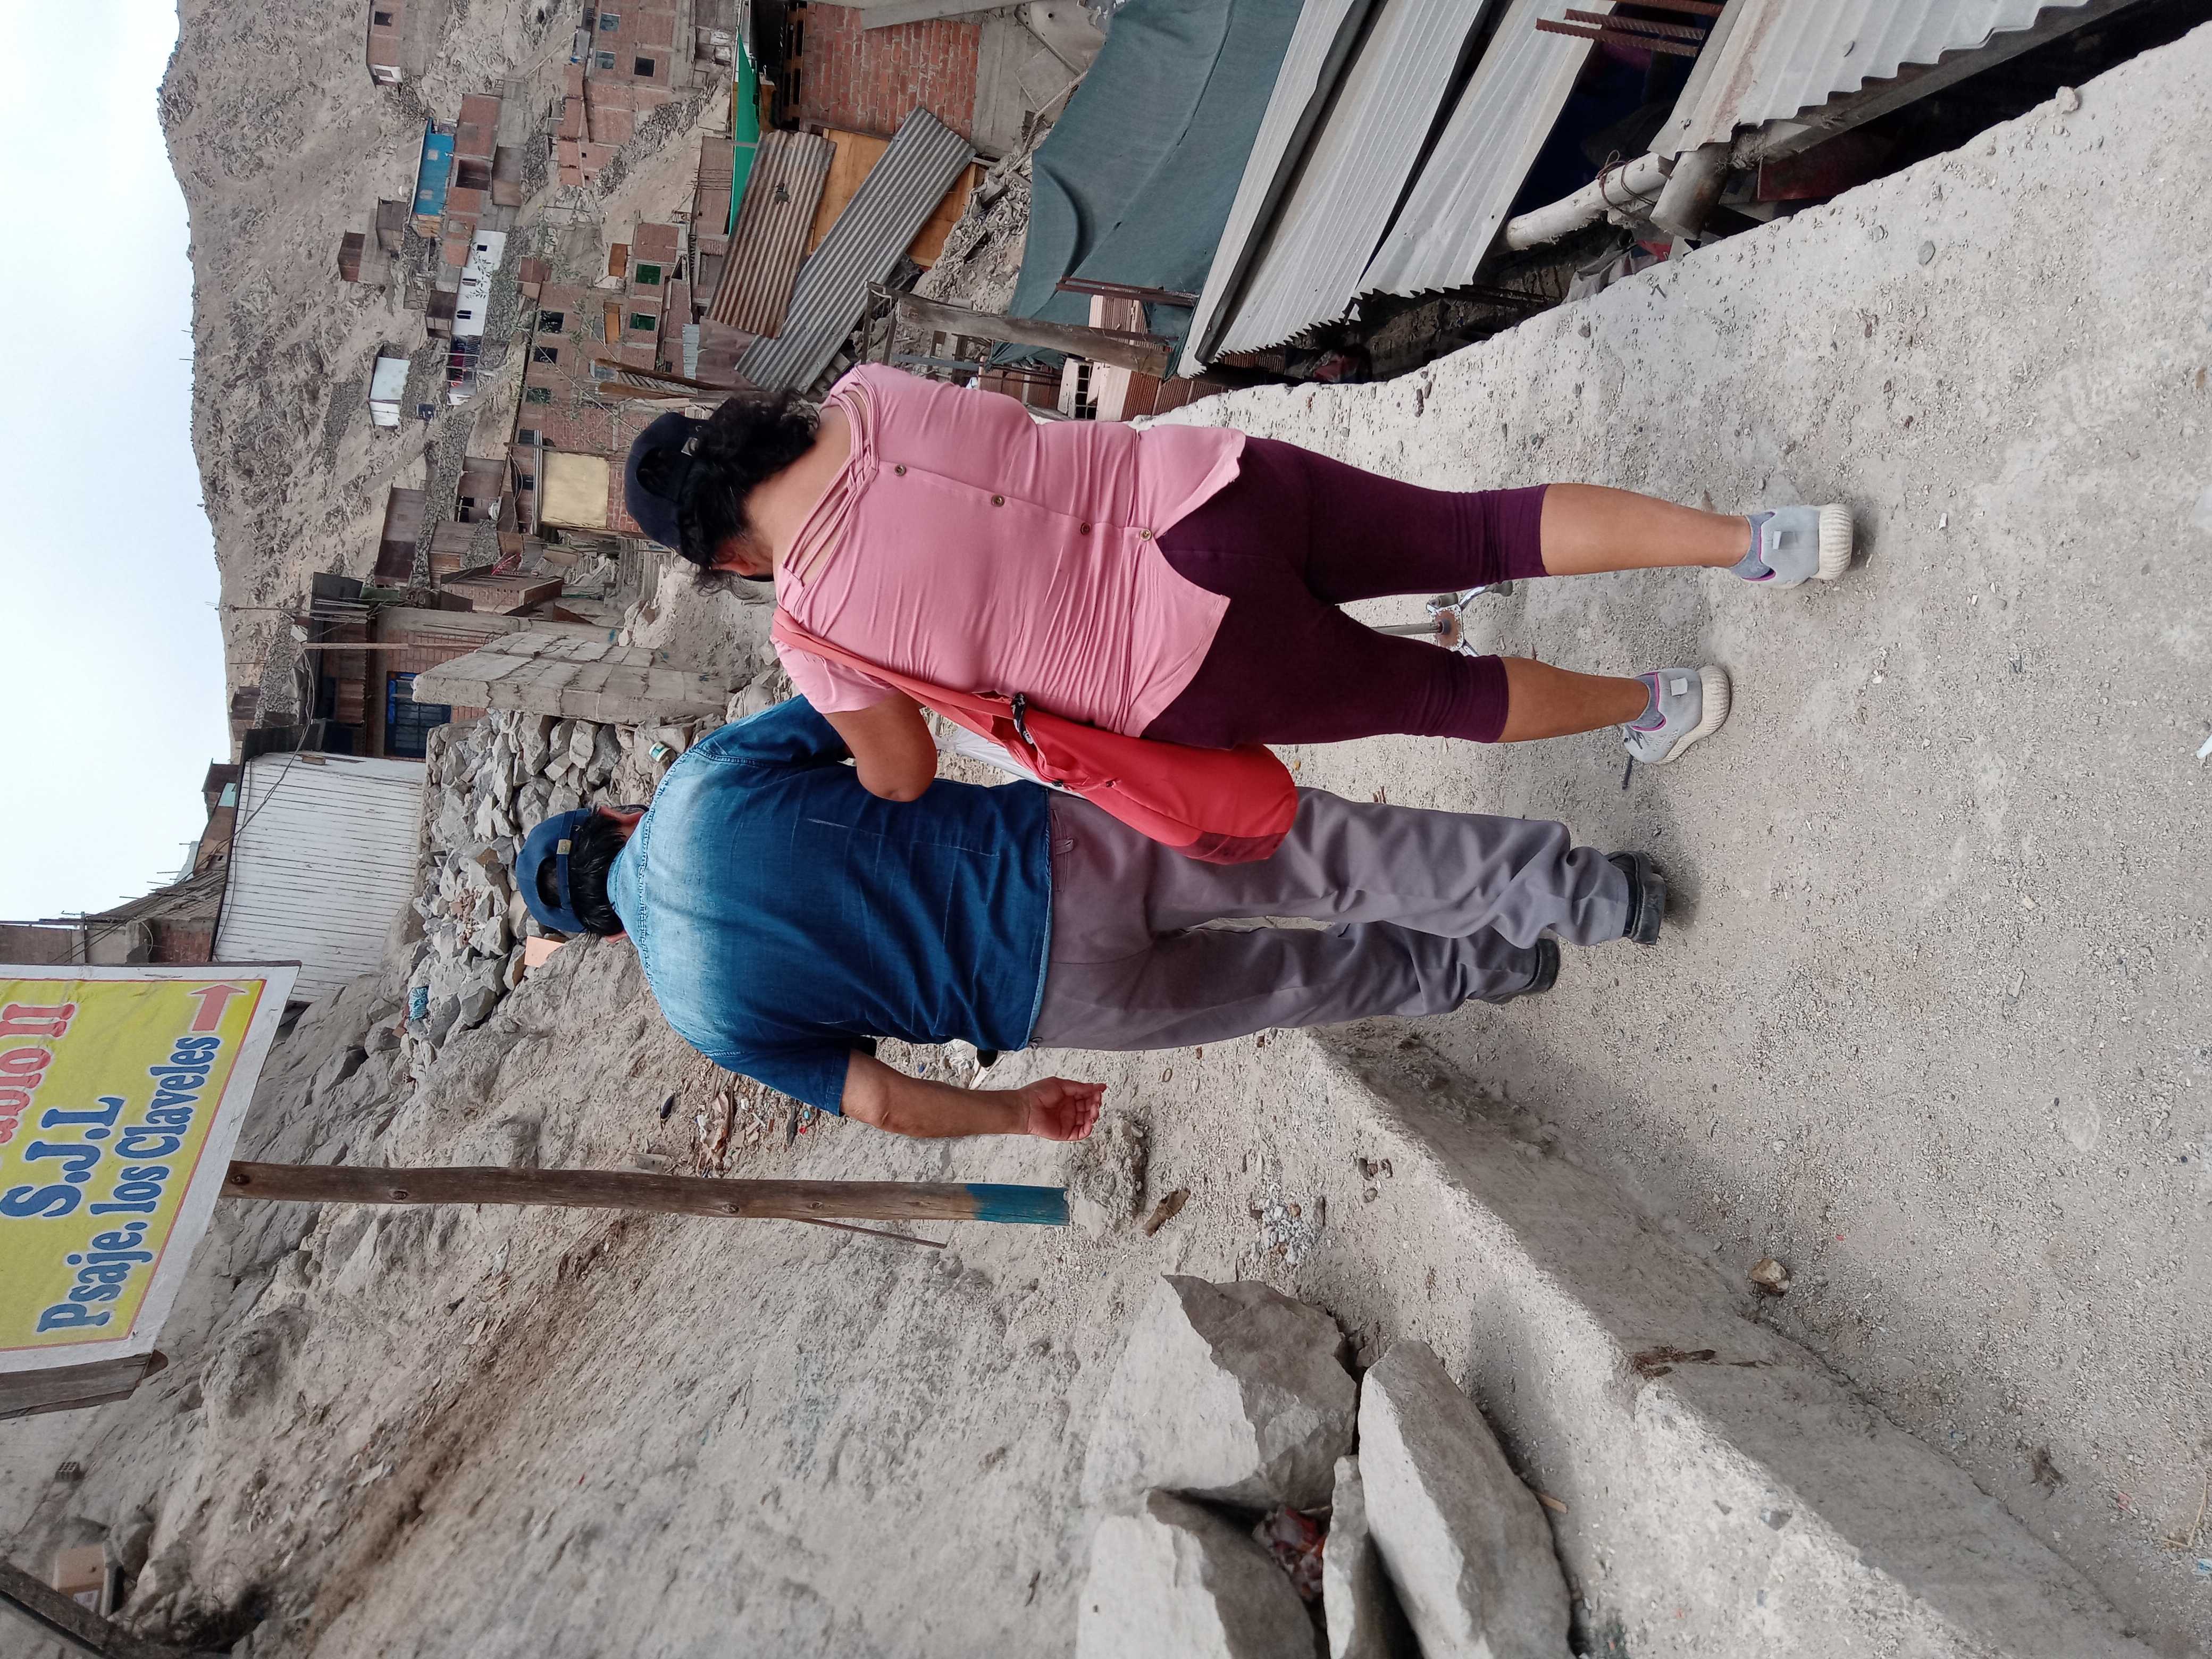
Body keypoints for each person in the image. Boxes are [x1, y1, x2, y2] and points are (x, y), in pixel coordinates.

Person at [623, 365, 1852, 803]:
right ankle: (1763, 538)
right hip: (1214, 488)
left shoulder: (810, 628)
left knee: (1440, 697)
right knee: (1478, 531)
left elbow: (902, 772)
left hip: (1180, 661)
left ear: (722, 556)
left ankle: (1660, 702)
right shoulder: (870, 394)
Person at [515, 697, 1668, 1142]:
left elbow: (880, 1101)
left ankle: (1499, 967)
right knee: (1326, 857)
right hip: (1062, 849)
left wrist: (1017, 1112)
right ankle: (1592, 897)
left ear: (602, 938)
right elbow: (874, 704)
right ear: (614, 813)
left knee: (1299, 983)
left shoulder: (701, 1014)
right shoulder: (703, 785)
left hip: (1052, 1002)